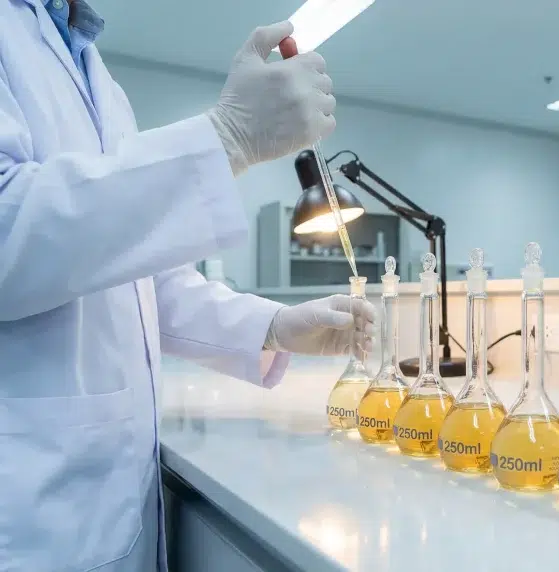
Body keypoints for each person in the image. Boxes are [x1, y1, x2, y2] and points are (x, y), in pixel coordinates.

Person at [0, 2, 374, 570]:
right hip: (30, 515)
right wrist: (227, 139)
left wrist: (272, 327)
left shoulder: (92, 68)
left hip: (103, 500)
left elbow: (136, 279)